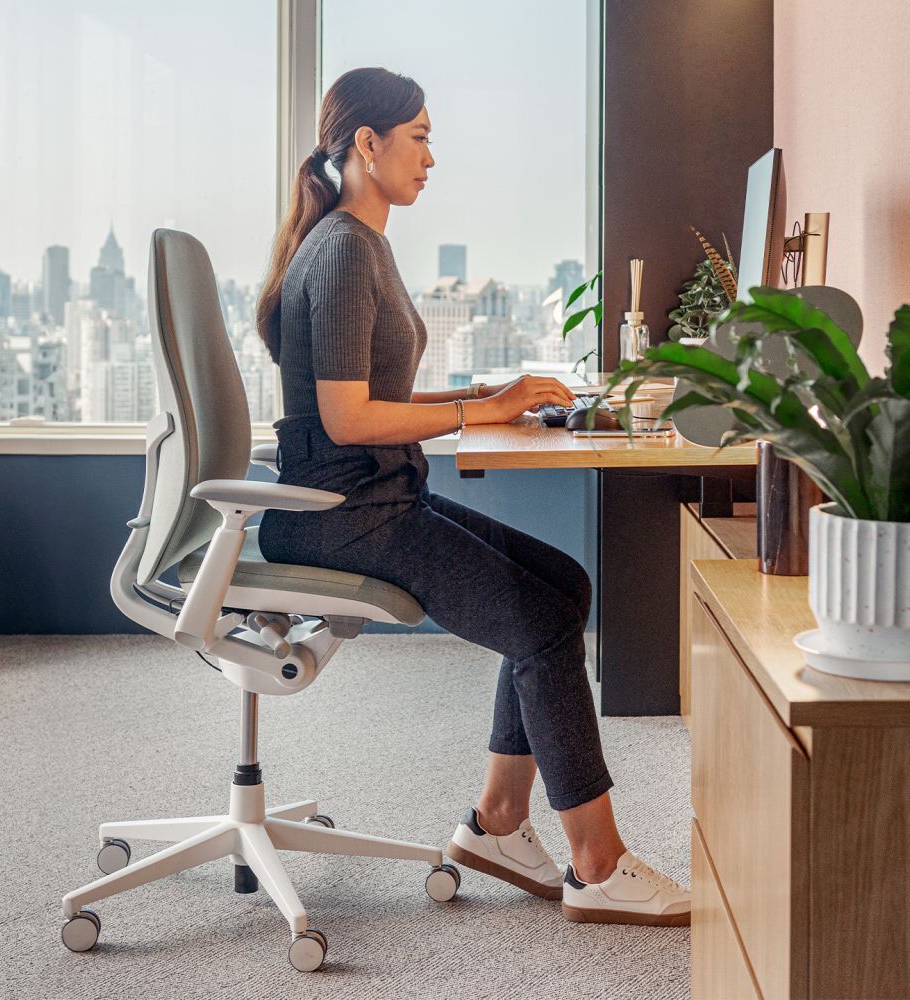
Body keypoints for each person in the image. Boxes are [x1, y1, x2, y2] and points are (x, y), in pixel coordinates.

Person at [255, 67, 689, 926]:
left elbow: (366, 398)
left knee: (562, 586)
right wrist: (481, 410)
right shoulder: (343, 249)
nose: (431, 156)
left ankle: (497, 825)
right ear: (367, 145)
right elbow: (344, 419)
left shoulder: (360, 243)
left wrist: (486, 398)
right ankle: (596, 866)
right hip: (340, 519)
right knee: (537, 624)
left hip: (373, 498)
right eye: (417, 137)